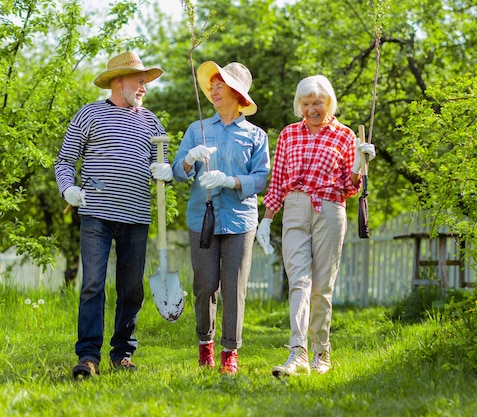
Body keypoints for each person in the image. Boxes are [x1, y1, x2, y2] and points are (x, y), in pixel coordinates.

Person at [54, 51, 172, 380]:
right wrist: (68, 189)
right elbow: (64, 161)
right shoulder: (89, 114)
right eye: (139, 81)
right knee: (92, 285)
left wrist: (166, 170)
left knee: (132, 288)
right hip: (97, 215)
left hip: (136, 217)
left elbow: (164, 164)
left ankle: (123, 353)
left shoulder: (150, 121)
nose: (144, 88)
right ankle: (88, 356)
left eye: (146, 82)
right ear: (118, 82)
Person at [256, 75, 376, 377]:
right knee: (299, 281)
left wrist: (361, 164)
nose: (311, 110)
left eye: (317, 104)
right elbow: (279, 181)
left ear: (329, 104)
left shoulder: (346, 136)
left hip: (330, 211)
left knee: (322, 288)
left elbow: (351, 188)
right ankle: (297, 353)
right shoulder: (288, 135)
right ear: (300, 104)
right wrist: (267, 219)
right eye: (306, 103)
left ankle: (321, 355)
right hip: (295, 209)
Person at [172, 61, 270, 375]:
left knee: (234, 287)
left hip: (241, 220)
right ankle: (206, 344)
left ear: (237, 93)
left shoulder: (255, 135)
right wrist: (188, 158)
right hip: (202, 217)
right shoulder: (196, 130)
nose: (213, 90)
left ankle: (230, 351)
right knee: (204, 286)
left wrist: (232, 181)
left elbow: (262, 178)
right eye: (212, 85)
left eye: (220, 85)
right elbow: (177, 173)